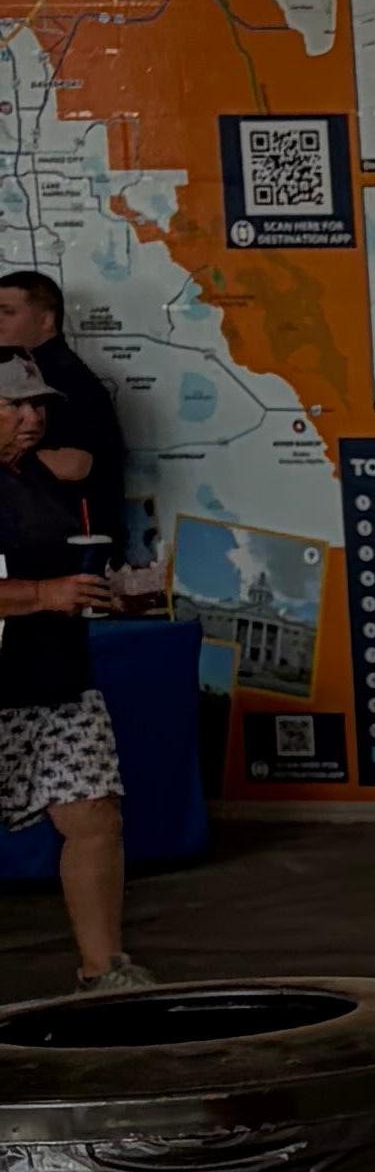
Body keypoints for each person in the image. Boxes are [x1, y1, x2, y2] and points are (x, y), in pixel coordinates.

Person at [0, 377, 138, 987]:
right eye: (14, 405)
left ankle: (104, 972)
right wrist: (42, 594)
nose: (32, 417)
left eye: (38, 405)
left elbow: (62, 570)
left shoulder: (36, 477)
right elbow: (40, 587)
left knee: (95, 814)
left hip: (57, 679)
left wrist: (101, 591)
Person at [0, 269, 127, 514]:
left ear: (46, 320)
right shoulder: (32, 369)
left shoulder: (62, 378)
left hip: (66, 530)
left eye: (8, 312)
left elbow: (76, 464)